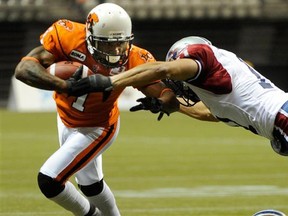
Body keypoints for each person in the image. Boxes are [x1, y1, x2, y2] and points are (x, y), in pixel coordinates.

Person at [14, 3, 179, 216]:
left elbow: (168, 97)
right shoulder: (68, 36)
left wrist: (161, 102)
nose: (117, 50)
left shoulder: (136, 57)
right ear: (90, 36)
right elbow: (24, 69)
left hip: (98, 127)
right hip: (65, 118)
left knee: (49, 180)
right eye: (109, 45)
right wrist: (64, 86)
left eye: (121, 43)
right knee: (91, 186)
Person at [69, 36, 288, 156]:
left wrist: (110, 81)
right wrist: (173, 105)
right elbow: (208, 113)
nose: (180, 87)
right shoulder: (219, 80)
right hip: (280, 118)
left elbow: (162, 70)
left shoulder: (200, 56)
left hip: (282, 117)